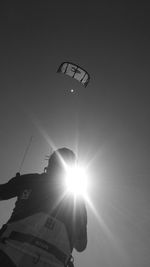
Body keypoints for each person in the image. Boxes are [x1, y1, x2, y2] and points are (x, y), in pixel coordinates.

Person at [0, 147, 87, 267]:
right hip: (55, 262)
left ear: (49, 164)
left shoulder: (29, 180)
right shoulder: (78, 202)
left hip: (8, 252)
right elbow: (81, 246)